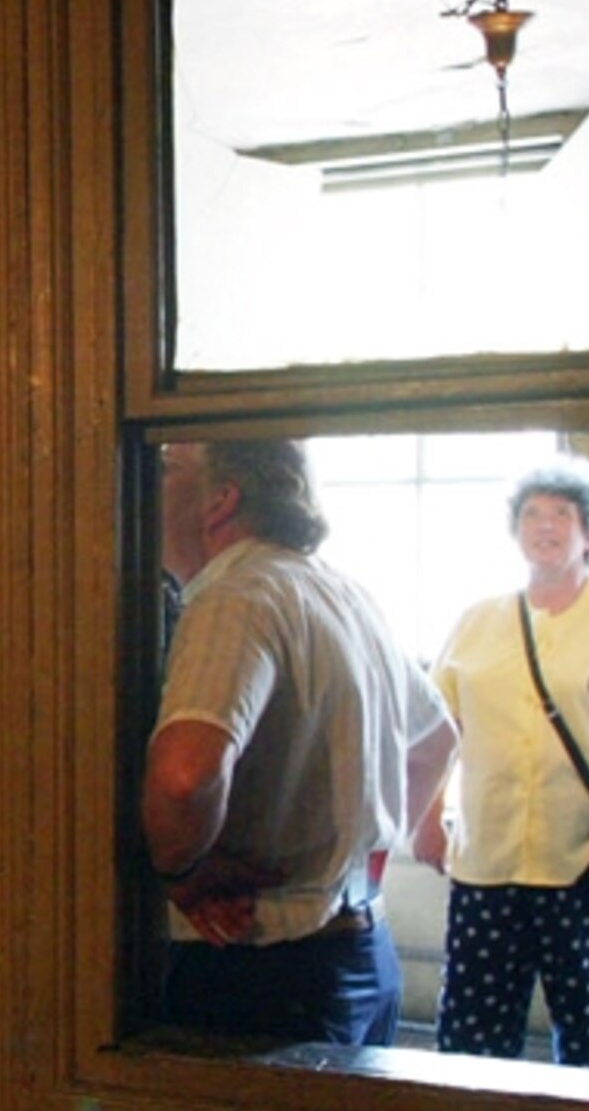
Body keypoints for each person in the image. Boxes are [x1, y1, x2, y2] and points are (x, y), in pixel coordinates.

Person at [143, 439, 456, 1048]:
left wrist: (179, 869)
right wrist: (348, 861)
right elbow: (437, 740)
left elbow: (184, 776)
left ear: (221, 500)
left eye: (164, 469)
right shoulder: (342, 593)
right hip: (362, 947)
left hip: (262, 963)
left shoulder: (234, 598)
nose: (140, 484)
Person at [413, 459, 589, 1066]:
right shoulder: (478, 619)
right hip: (486, 857)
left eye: (562, 514)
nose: (546, 526)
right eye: (532, 515)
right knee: (471, 1031)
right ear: (515, 531)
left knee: (586, 1026)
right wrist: (427, 816)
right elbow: (443, 728)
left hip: (584, 859)